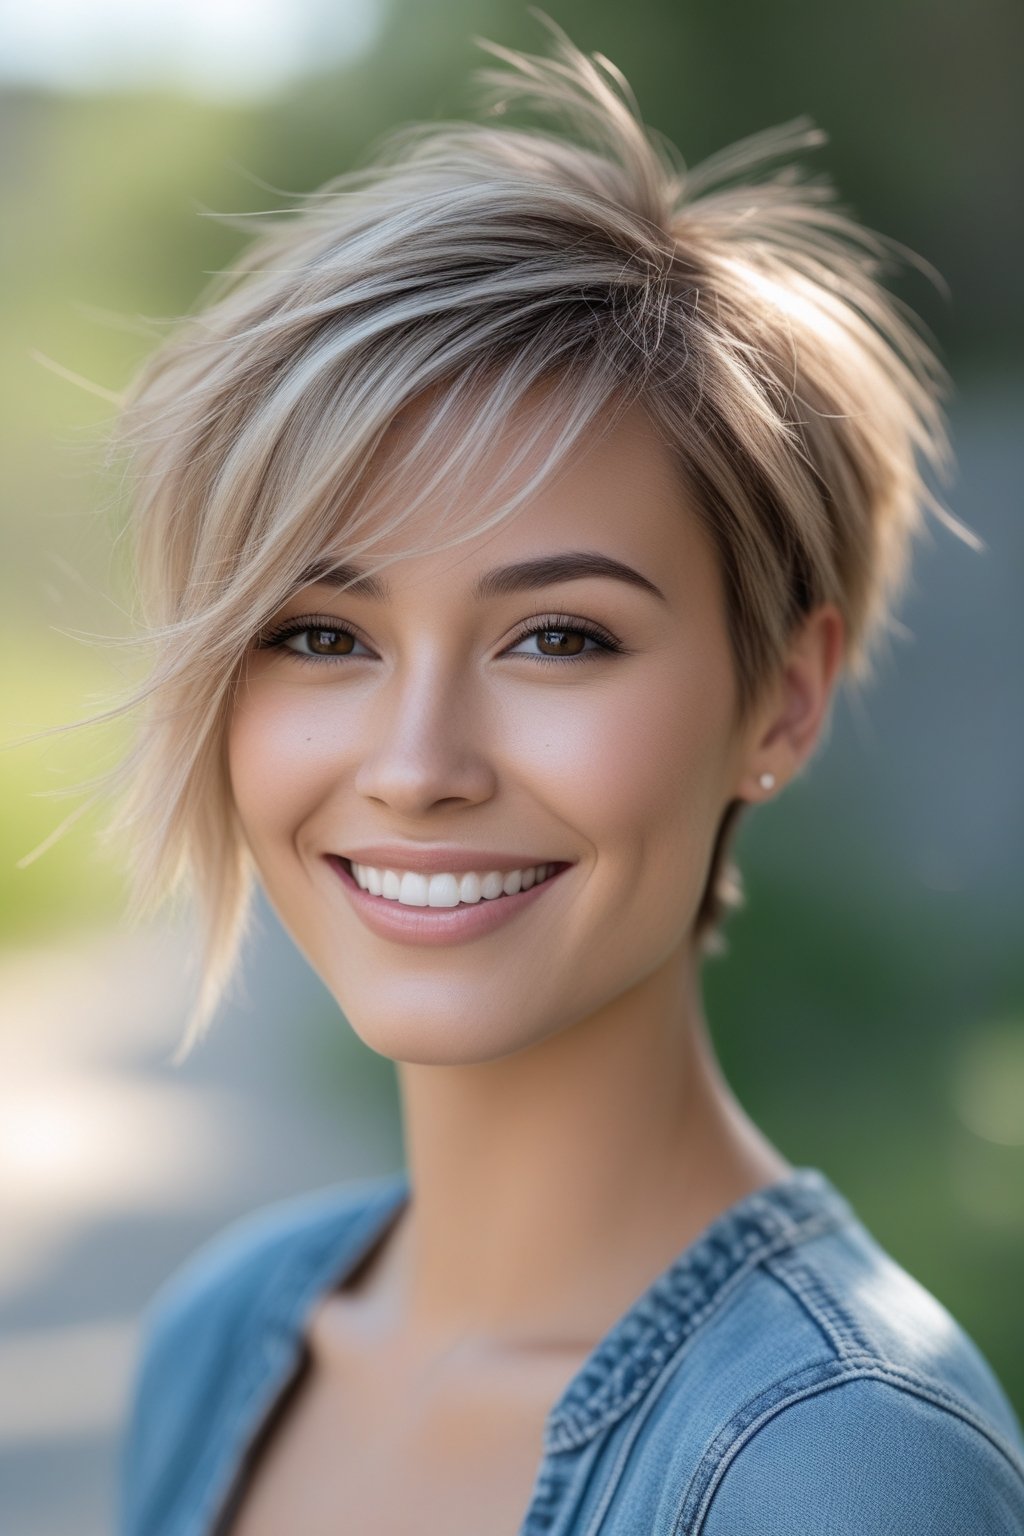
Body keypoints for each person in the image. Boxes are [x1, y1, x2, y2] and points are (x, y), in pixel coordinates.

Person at [102, 17, 1024, 1536]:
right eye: (322, 632)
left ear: (780, 704)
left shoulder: (842, 1471)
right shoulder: (220, 1342)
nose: (417, 767)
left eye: (556, 636)